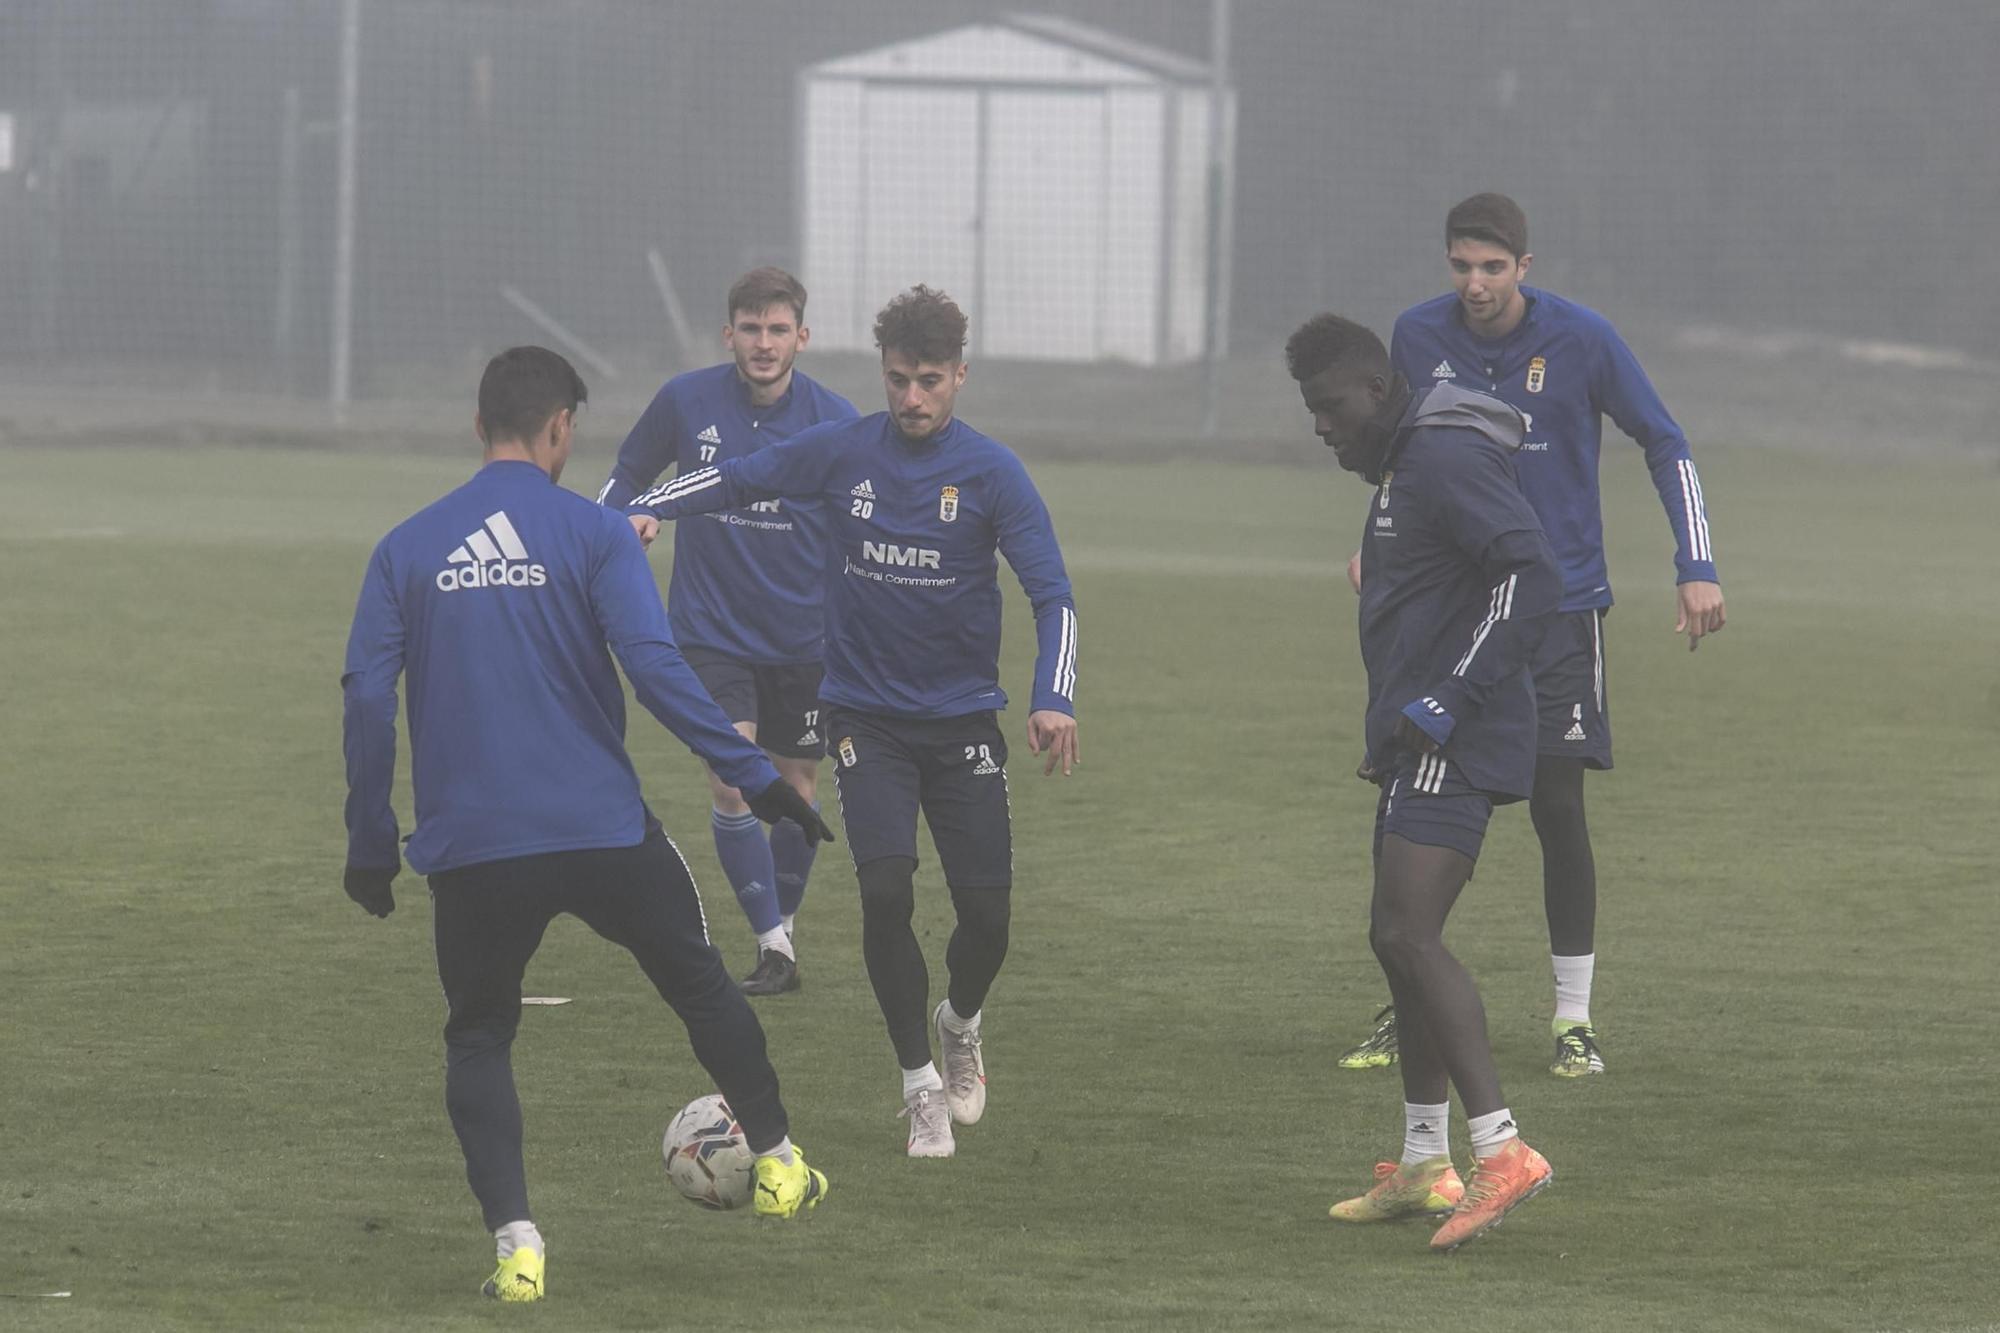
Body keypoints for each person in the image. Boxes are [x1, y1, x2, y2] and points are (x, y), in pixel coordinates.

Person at [341, 346, 837, 1302]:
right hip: (605, 833)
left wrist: (371, 841)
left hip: (477, 848)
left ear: (478, 425)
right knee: (699, 983)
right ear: (561, 428)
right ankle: (778, 1164)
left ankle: (518, 1248)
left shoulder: (407, 546)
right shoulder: (594, 533)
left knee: (479, 1035)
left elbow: (367, 697)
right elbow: (656, 670)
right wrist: (755, 776)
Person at [628, 285, 1079, 1160]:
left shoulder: (992, 474)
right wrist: (646, 508)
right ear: (883, 372)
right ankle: (919, 1089)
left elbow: (1053, 593)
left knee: (987, 918)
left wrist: (1052, 693)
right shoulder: (841, 450)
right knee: (885, 890)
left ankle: (959, 1021)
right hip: (864, 719)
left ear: (960, 377)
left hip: (961, 725)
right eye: (899, 380)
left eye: (930, 382)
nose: (912, 399)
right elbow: (733, 476)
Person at [1335, 192, 1726, 1077]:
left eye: (1493, 267)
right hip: (1446, 613)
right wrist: (1380, 549)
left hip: (1557, 609)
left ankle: (1573, 1018)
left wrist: (1695, 564)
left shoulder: (1582, 338)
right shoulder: (1416, 337)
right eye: (1461, 266)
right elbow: (1394, 458)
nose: (1475, 284)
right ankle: (1408, 1002)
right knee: (1409, 808)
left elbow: (1665, 440)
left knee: (1557, 806)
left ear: (1525, 267)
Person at [1288, 312, 1559, 1252]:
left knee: (1407, 932)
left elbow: (1532, 577)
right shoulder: (1406, 465)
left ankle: (1503, 1150)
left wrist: (1444, 701)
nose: (1322, 426)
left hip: (1459, 733)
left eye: (1329, 407)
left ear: (1374, 387)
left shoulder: (1442, 458)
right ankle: (1421, 1161)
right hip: (1417, 739)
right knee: (1398, 941)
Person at [596, 268, 858, 997]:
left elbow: (862, 520)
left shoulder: (836, 420)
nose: (764, 343)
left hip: (807, 637)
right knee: (732, 775)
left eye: (778, 330)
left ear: (801, 337)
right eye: (751, 329)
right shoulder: (685, 400)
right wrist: (615, 525)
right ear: (729, 334)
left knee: (797, 784)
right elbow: (627, 474)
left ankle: (783, 925)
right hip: (711, 631)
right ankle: (774, 944)